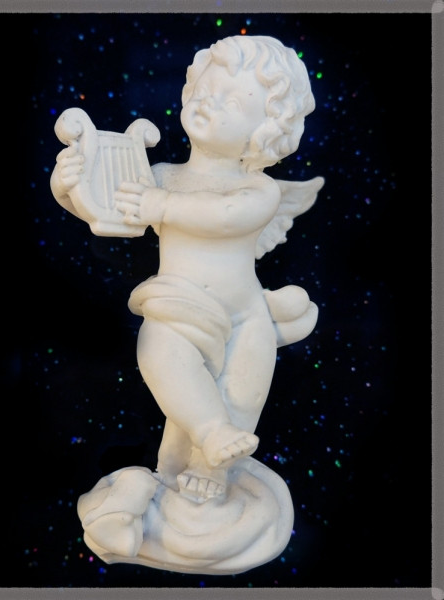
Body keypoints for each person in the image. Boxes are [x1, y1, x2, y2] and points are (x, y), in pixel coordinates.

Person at [53, 35, 322, 503]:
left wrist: (161, 205)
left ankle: (211, 465)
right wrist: (68, 187)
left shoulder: (259, 191)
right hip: (178, 308)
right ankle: (210, 433)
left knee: (239, 394)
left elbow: (225, 216)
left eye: (231, 102)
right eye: (205, 88)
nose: (207, 102)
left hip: (243, 318)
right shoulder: (162, 177)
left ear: (265, 132)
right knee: (159, 353)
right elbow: (110, 212)